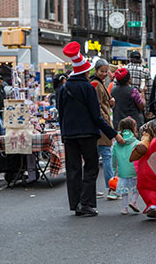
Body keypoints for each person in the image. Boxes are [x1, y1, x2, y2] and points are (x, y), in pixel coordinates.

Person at [58, 41, 124, 217]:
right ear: (85, 71)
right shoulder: (88, 88)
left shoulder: (63, 89)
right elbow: (96, 116)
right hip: (87, 134)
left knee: (73, 170)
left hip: (69, 135)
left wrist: (63, 133)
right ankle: (86, 204)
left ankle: (76, 204)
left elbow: (61, 114)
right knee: (91, 168)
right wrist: (114, 134)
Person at [90, 58, 118, 200]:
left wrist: (110, 102)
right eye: (102, 71)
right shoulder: (96, 84)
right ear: (96, 70)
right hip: (102, 124)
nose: (104, 74)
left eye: (106, 72)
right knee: (106, 155)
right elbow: (96, 106)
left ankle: (92, 189)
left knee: (95, 157)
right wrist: (105, 119)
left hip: (99, 124)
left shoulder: (99, 83)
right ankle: (111, 188)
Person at [112, 117, 141, 215]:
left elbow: (113, 157)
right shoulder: (136, 142)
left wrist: (114, 169)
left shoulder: (116, 143)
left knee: (124, 190)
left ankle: (124, 208)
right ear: (133, 128)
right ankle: (133, 201)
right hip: (134, 170)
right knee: (138, 187)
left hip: (122, 171)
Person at [125, 50, 153, 118]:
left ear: (130, 59)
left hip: (125, 107)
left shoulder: (123, 70)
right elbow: (149, 91)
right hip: (140, 107)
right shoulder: (145, 72)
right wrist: (147, 109)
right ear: (140, 60)